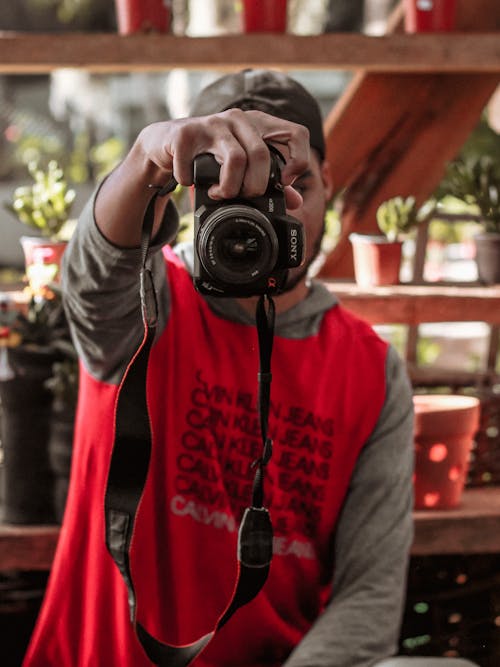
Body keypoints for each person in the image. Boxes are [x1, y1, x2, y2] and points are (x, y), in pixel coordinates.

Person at [23, 69, 415, 667]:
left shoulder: (371, 369)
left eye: (293, 186)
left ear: (329, 181)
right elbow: (94, 280)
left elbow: (370, 596)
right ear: (195, 197)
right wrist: (143, 164)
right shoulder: (150, 301)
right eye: (233, 198)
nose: (265, 220)